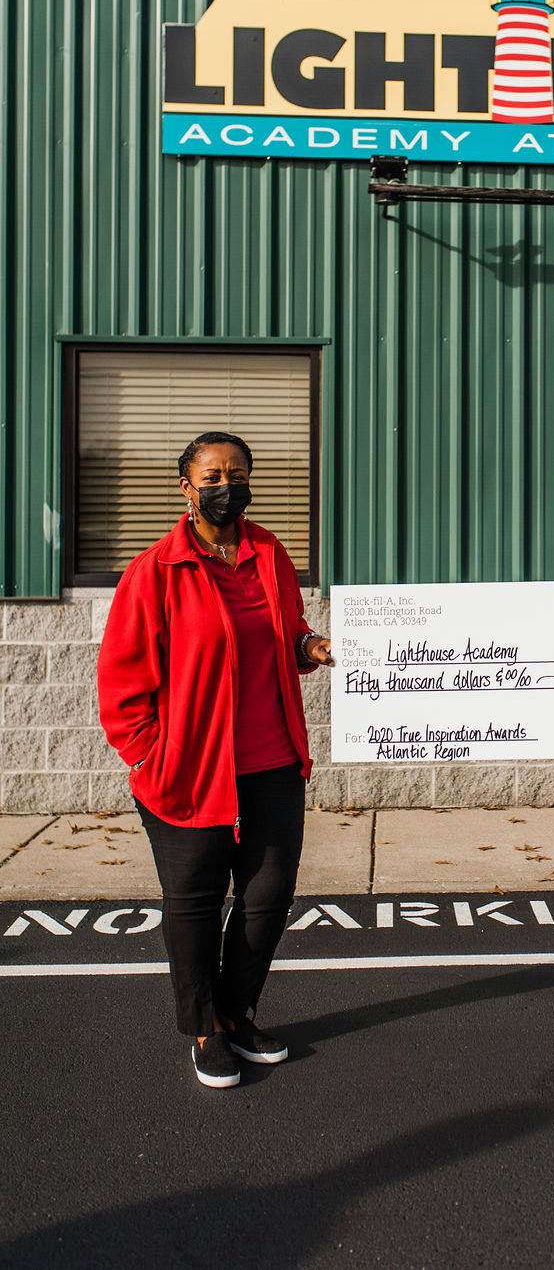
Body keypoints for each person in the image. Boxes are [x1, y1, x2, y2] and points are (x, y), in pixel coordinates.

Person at [97, 431, 334, 1089]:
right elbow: (120, 686)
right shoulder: (155, 571)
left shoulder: (270, 554)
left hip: (272, 763)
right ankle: (205, 1028)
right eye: (212, 476)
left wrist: (308, 646)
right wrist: (152, 758)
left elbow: (285, 631)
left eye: (237, 473)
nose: (227, 486)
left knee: (267, 897)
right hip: (189, 772)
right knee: (194, 904)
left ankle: (236, 1012)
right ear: (187, 487)